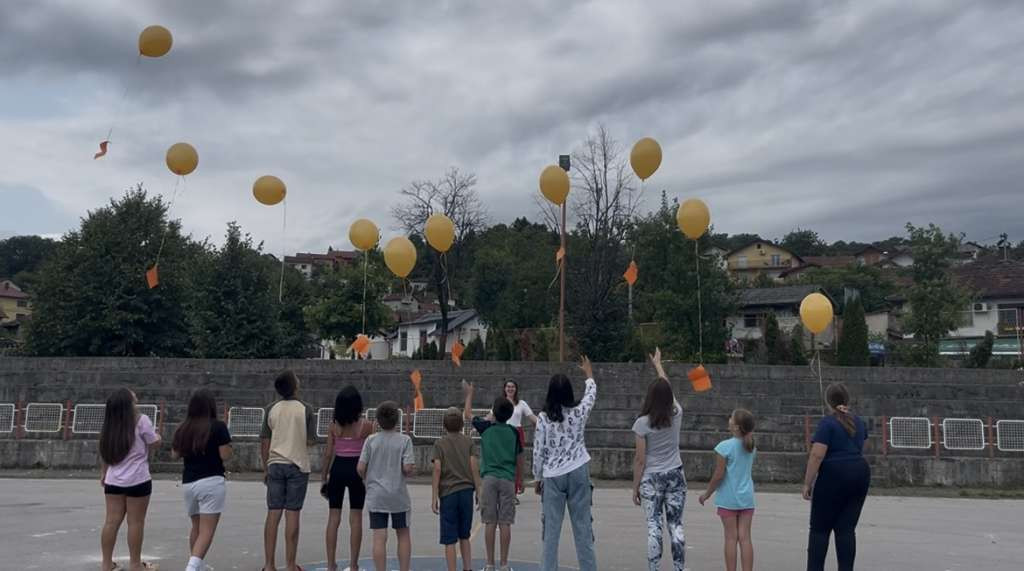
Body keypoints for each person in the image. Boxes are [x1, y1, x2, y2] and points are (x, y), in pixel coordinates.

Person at [533, 357, 598, 571]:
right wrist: (588, 374)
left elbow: (539, 450)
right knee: (583, 529)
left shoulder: (543, 418)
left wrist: (537, 477)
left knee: (550, 532)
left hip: (553, 474)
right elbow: (590, 396)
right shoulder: (578, 412)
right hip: (578, 468)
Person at [803, 383, 871, 571]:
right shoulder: (859, 422)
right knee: (846, 530)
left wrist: (807, 483)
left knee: (819, 530)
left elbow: (817, 455)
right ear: (847, 400)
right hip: (859, 473)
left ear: (828, 402)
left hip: (833, 475)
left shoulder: (827, 424)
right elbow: (864, 446)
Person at [631, 349, 687, 571]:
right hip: (675, 474)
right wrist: (658, 365)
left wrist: (635, 487)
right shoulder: (677, 413)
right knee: (676, 524)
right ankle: (678, 567)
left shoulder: (642, 423)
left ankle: (654, 567)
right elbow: (667, 388)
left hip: (651, 478)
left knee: (654, 527)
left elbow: (640, 459)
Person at [99, 388, 161, 571]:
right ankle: (135, 564)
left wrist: (104, 473)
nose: (137, 403)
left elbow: (104, 451)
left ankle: (106, 563)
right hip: (138, 479)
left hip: (113, 480)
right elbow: (154, 443)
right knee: (135, 522)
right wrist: (158, 436)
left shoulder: (110, 424)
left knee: (111, 521)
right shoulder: (141, 421)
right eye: (134, 400)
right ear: (128, 405)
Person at [260, 370, 316, 571]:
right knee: (292, 514)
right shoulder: (306, 409)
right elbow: (310, 441)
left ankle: (269, 564)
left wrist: (265, 467)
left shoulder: (271, 408)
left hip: (275, 464)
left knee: (273, 513)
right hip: (297, 465)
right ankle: (291, 564)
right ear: (295, 386)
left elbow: (264, 441)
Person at [464, 380, 523, 571]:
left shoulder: (486, 427)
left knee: (489, 522)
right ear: (510, 415)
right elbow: (519, 458)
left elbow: (467, 414)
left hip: (488, 478)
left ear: (494, 413)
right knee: (505, 522)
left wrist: (470, 394)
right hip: (507, 478)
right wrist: (520, 480)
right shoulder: (514, 432)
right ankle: (504, 564)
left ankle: (489, 564)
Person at [172, 389, 233, 571]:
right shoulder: (218, 426)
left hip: (189, 482)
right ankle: (191, 567)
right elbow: (225, 455)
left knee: (196, 527)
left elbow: (175, 454)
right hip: (211, 481)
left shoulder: (183, 428)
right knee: (207, 530)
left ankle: (199, 565)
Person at [358, 401, 415, 571]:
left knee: (379, 536)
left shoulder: (371, 440)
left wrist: (367, 479)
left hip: (376, 494)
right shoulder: (405, 440)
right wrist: (407, 471)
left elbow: (360, 467)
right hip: (398, 494)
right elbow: (407, 468)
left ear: (377, 421)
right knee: (403, 533)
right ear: (397, 420)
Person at [321, 386, 374, 571]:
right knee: (356, 517)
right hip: (357, 469)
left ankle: (330, 564)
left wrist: (324, 477)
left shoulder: (334, 425)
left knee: (333, 517)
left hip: (338, 468)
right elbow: (371, 452)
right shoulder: (366, 425)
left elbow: (328, 454)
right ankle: (353, 564)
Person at [699, 409, 757, 571]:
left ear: (737, 427)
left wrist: (707, 493)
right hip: (747, 498)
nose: (729, 419)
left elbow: (719, 475)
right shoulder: (751, 447)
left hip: (728, 498)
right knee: (745, 538)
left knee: (731, 538)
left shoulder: (724, 447)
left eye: (732, 418)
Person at [431, 406, 482, 571]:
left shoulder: (439, 444)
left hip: (448, 493)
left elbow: (437, 469)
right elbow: (474, 466)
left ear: (444, 425)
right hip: (466, 492)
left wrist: (434, 496)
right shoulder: (469, 442)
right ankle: (468, 568)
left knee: (449, 539)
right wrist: (478, 490)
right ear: (462, 425)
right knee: (464, 535)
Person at [503, 380, 538, 496]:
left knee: (518, 462)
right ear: (504, 389)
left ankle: (515, 490)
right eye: (508, 387)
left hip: (517, 433)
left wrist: (546, 425)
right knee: (505, 462)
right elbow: (491, 417)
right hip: (504, 432)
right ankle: (506, 491)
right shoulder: (500, 402)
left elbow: (533, 418)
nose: (510, 389)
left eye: (512, 387)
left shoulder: (521, 403)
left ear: (516, 389)